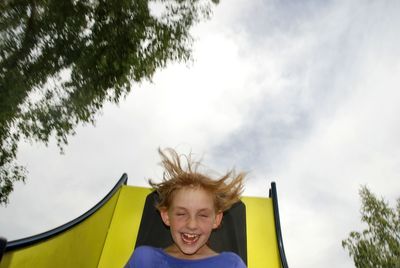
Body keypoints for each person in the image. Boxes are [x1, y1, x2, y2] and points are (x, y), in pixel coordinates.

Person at [125, 148, 247, 268]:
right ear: (166, 216)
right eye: (181, 214)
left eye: (203, 215)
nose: (192, 225)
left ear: (216, 219)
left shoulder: (231, 264)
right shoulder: (144, 259)